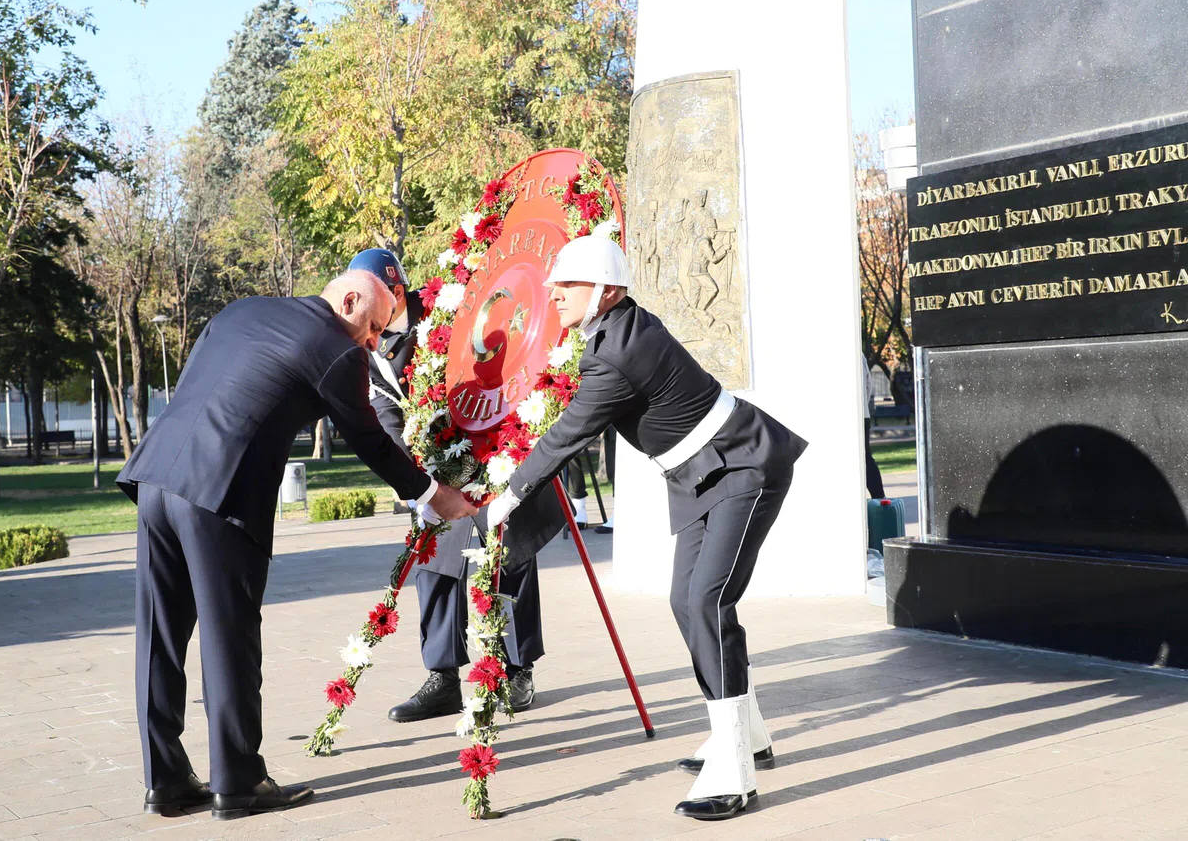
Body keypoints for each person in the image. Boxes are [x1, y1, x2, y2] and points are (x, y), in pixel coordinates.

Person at [116, 271, 478, 820]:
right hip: (219, 495)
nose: (375, 342)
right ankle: (238, 782)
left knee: (159, 636)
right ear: (349, 300)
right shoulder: (336, 349)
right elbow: (370, 439)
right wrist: (432, 494)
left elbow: (203, 388)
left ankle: (163, 780)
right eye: (374, 326)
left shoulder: (241, 311)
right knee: (228, 636)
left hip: (155, 479)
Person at [485, 236, 807, 822]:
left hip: (743, 464)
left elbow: (566, 436)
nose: (554, 294)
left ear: (606, 292)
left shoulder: (615, 353)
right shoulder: (616, 331)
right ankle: (749, 733)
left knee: (706, 601)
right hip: (703, 476)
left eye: (569, 285)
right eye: (557, 283)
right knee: (686, 602)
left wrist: (504, 498)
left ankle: (735, 770)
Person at [347, 248, 564, 723]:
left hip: (496, 445)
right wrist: (418, 486)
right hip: (439, 467)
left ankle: (516, 669)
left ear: (396, 293)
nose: (363, 318)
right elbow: (386, 414)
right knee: (435, 565)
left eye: (370, 303)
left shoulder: (452, 308)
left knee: (509, 557)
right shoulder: (367, 341)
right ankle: (443, 677)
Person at [863, 355, 885, 500]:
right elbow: (868, 385)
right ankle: (879, 496)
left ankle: (879, 496)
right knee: (865, 457)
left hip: (857, 415)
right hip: (862, 414)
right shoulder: (861, 356)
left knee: (865, 458)